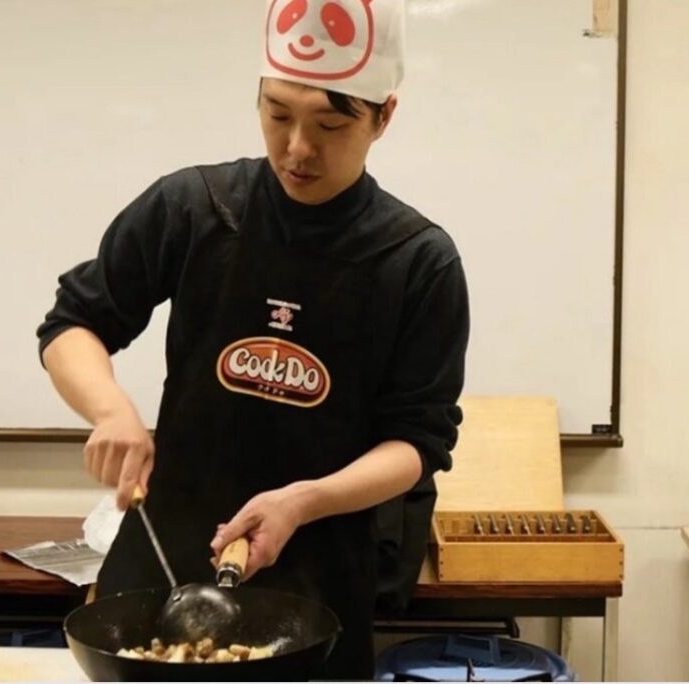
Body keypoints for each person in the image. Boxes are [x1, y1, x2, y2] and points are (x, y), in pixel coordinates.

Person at [36, 0, 469, 678]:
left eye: (330, 124)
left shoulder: (416, 260)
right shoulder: (195, 209)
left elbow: (417, 444)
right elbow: (73, 324)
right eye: (277, 114)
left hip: (317, 584)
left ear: (384, 116)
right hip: (164, 564)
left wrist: (304, 500)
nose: (297, 148)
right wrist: (110, 409)